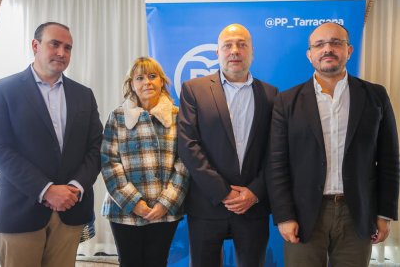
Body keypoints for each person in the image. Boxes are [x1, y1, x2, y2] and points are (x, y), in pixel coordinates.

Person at [267, 22, 399, 267]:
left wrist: (385, 213)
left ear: (349, 50)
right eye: (319, 44)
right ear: (310, 55)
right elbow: (277, 164)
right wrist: (284, 216)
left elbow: (390, 160)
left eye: (336, 43)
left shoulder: (375, 96)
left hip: (357, 213)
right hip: (304, 215)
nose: (328, 49)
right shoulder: (286, 101)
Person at [0, 22, 103, 267]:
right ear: (35, 46)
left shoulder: (84, 94)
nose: (62, 52)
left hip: (71, 209)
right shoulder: (3, 90)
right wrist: (47, 190)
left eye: (68, 47)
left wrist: (74, 187)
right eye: (55, 44)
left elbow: (96, 148)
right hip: (21, 206)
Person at [178, 23, 278, 267]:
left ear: (252, 52)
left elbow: (275, 153)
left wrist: (254, 192)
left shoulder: (271, 94)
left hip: (252, 207)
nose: (235, 50)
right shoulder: (194, 90)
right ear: (218, 53)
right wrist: (224, 192)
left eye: (242, 45)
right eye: (228, 45)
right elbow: (188, 146)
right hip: (206, 206)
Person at [100, 57, 189, 267]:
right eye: (140, 78)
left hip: (164, 211)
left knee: (157, 262)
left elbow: (184, 162)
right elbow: (109, 162)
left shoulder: (178, 116)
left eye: (152, 76)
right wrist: (134, 203)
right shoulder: (117, 116)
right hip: (124, 211)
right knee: (129, 262)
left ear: (161, 81)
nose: (147, 82)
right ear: (132, 84)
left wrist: (165, 202)